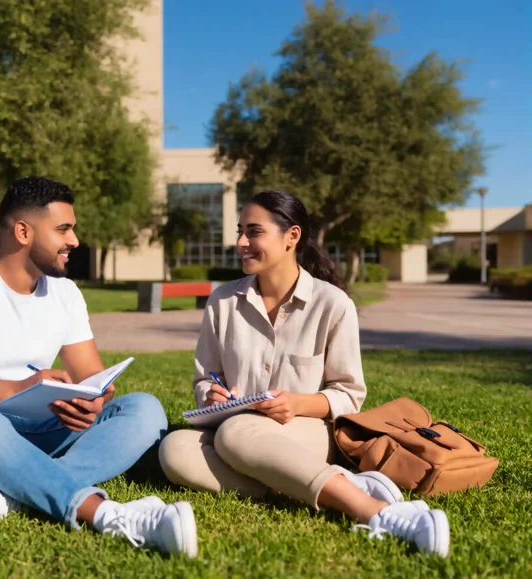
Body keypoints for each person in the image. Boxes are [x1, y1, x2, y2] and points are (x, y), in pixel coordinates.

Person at [0, 176, 197, 557]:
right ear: (23, 231)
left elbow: (93, 375)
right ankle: (108, 515)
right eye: (63, 229)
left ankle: (13, 498)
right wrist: (18, 388)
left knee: (144, 409)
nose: (74, 240)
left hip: (45, 425)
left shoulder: (65, 293)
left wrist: (94, 399)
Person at [158, 190, 450, 557]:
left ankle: (377, 512)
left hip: (309, 431)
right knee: (174, 450)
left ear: (291, 236)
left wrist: (295, 404)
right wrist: (211, 394)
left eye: (253, 232)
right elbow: (206, 377)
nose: (241, 242)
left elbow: (348, 394)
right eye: (239, 231)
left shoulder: (332, 304)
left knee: (234, 433)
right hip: (234, 429)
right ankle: (311, 482)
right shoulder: (223, 302)